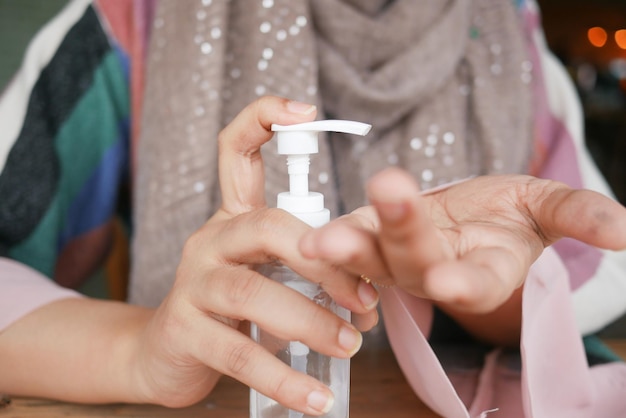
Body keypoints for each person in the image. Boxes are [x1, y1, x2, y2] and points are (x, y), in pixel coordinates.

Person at [1, 0, 626, 416]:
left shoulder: (510, 40)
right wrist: (137, 351)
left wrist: (485, 292)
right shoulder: (128, 25)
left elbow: (593, 279)